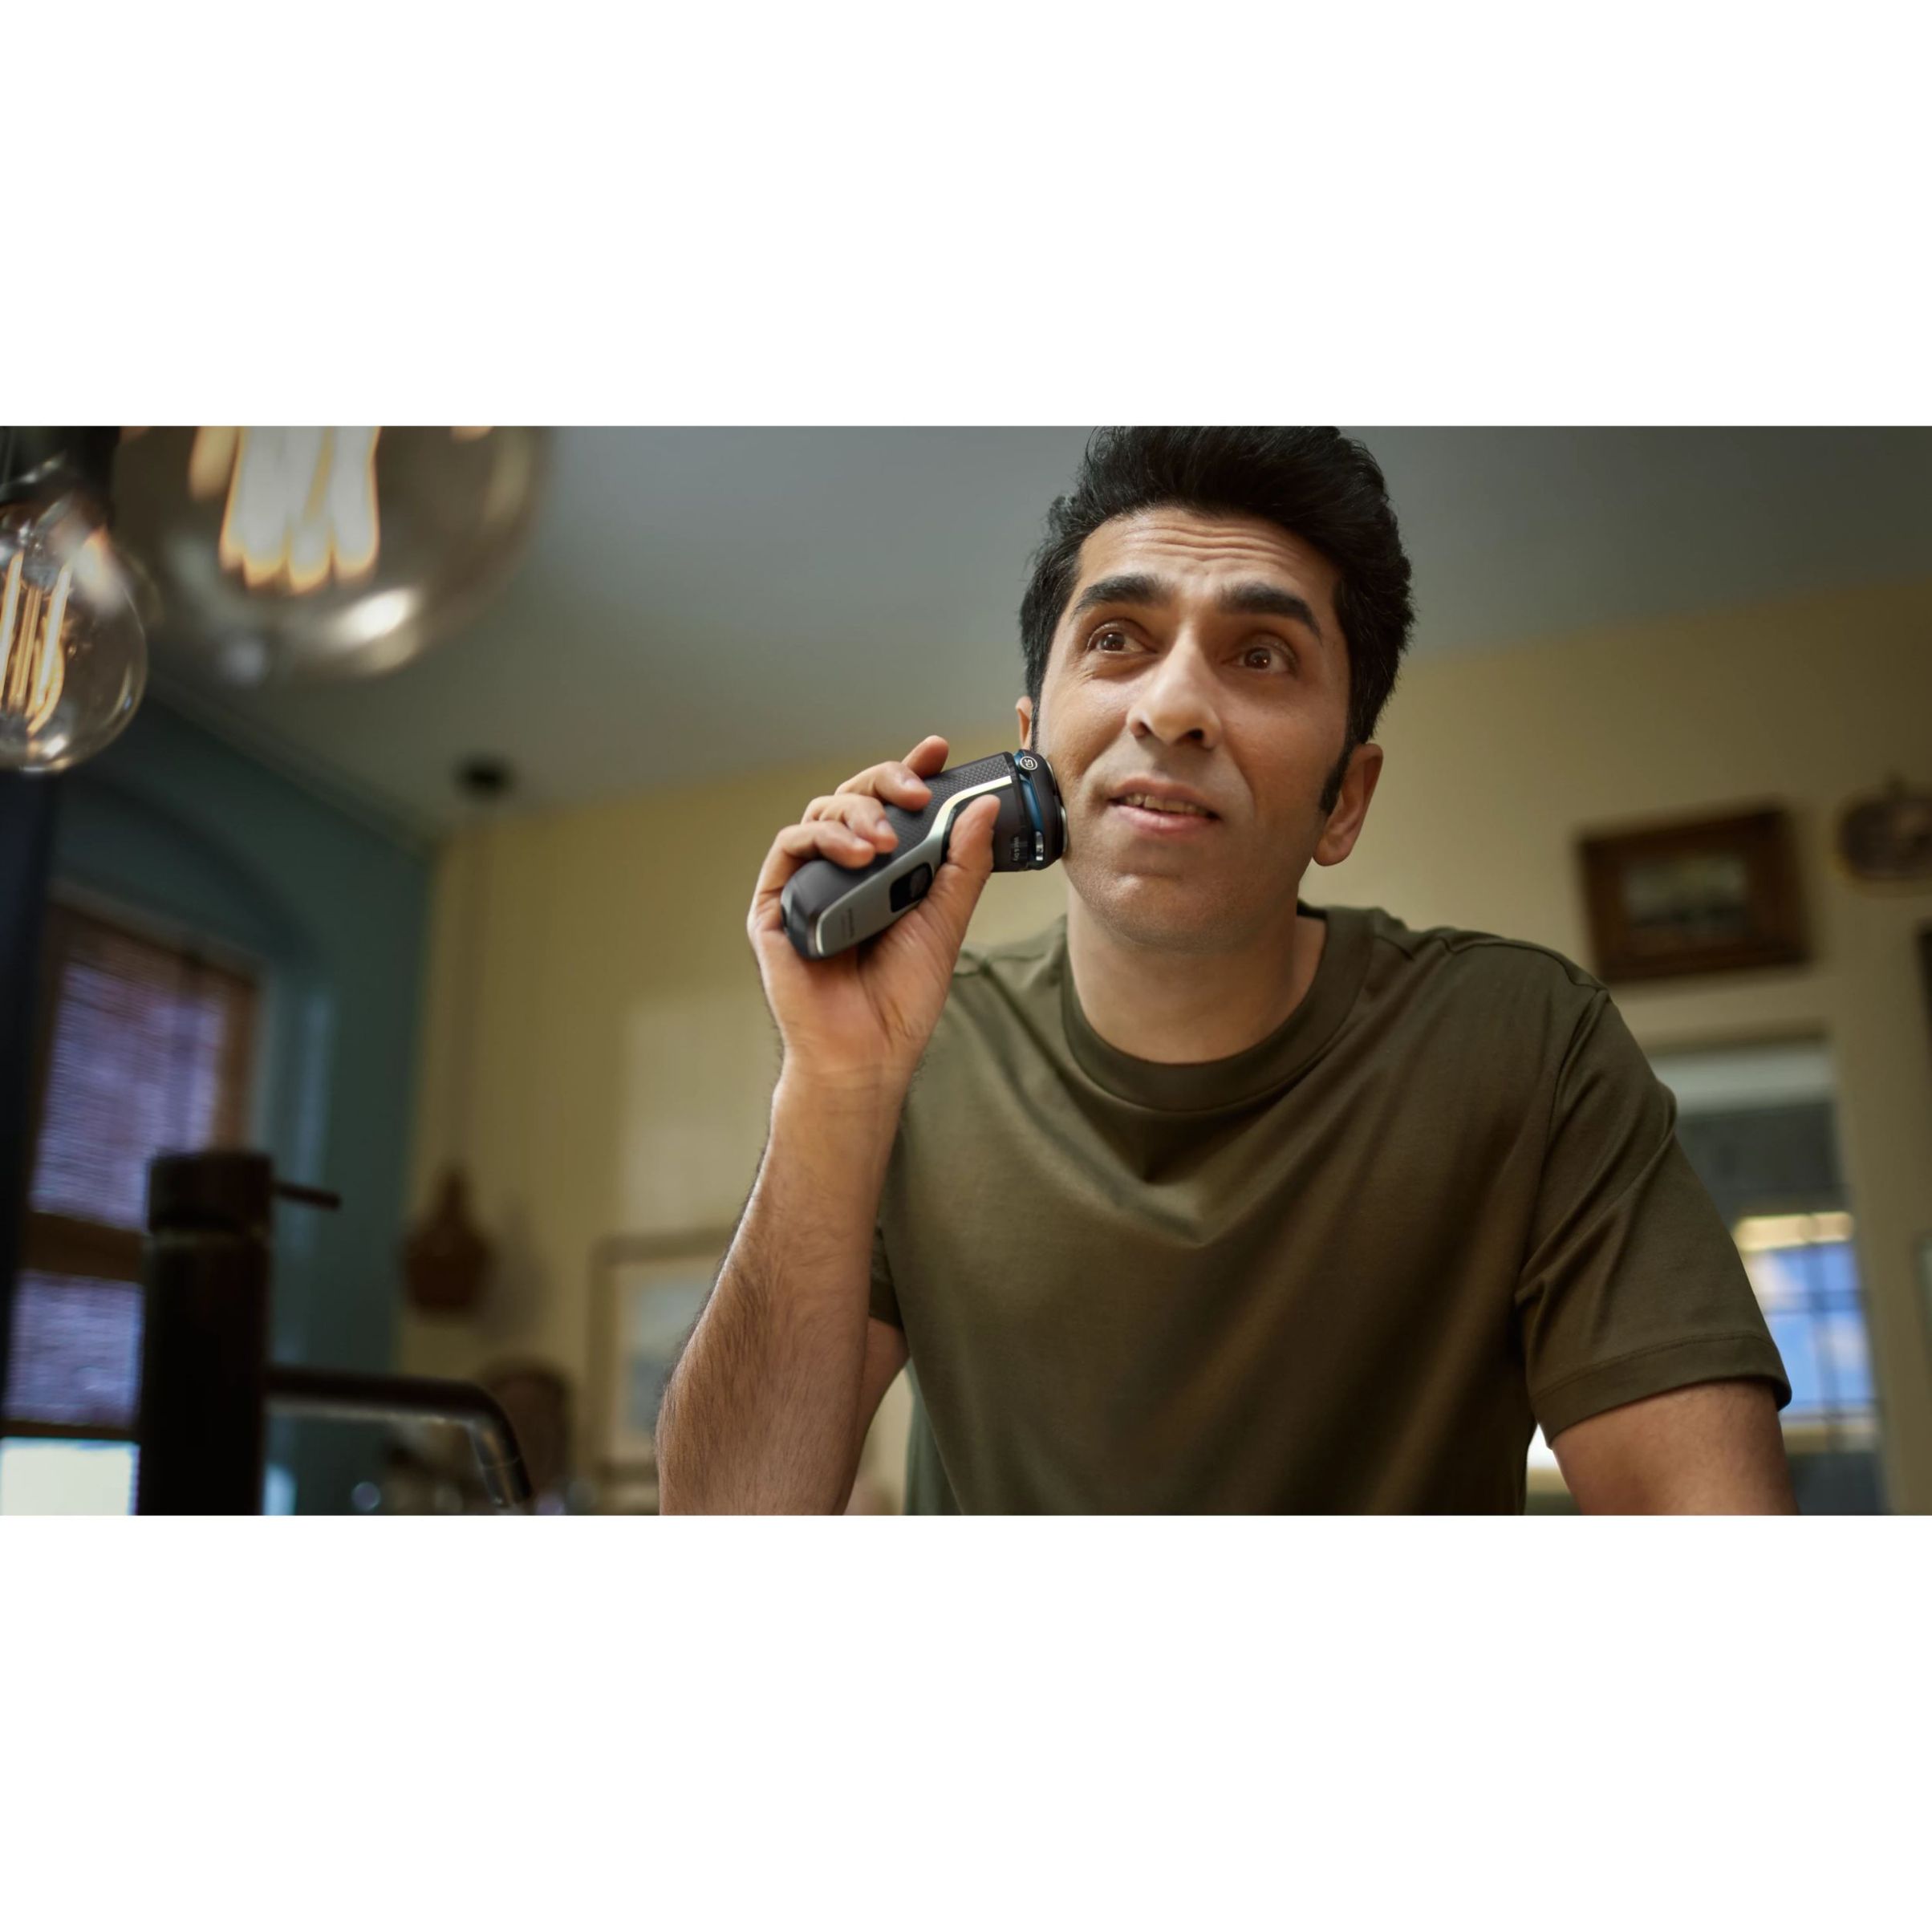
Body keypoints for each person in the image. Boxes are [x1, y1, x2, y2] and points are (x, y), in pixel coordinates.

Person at [656, 427, 1794, 1514]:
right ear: (1031, 749)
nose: (1173, 708)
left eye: (1261, 655)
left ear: (1344, 801)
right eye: (1117, 640)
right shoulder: (917, 1061)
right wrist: (835, 1086)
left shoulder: (1530, 1046)